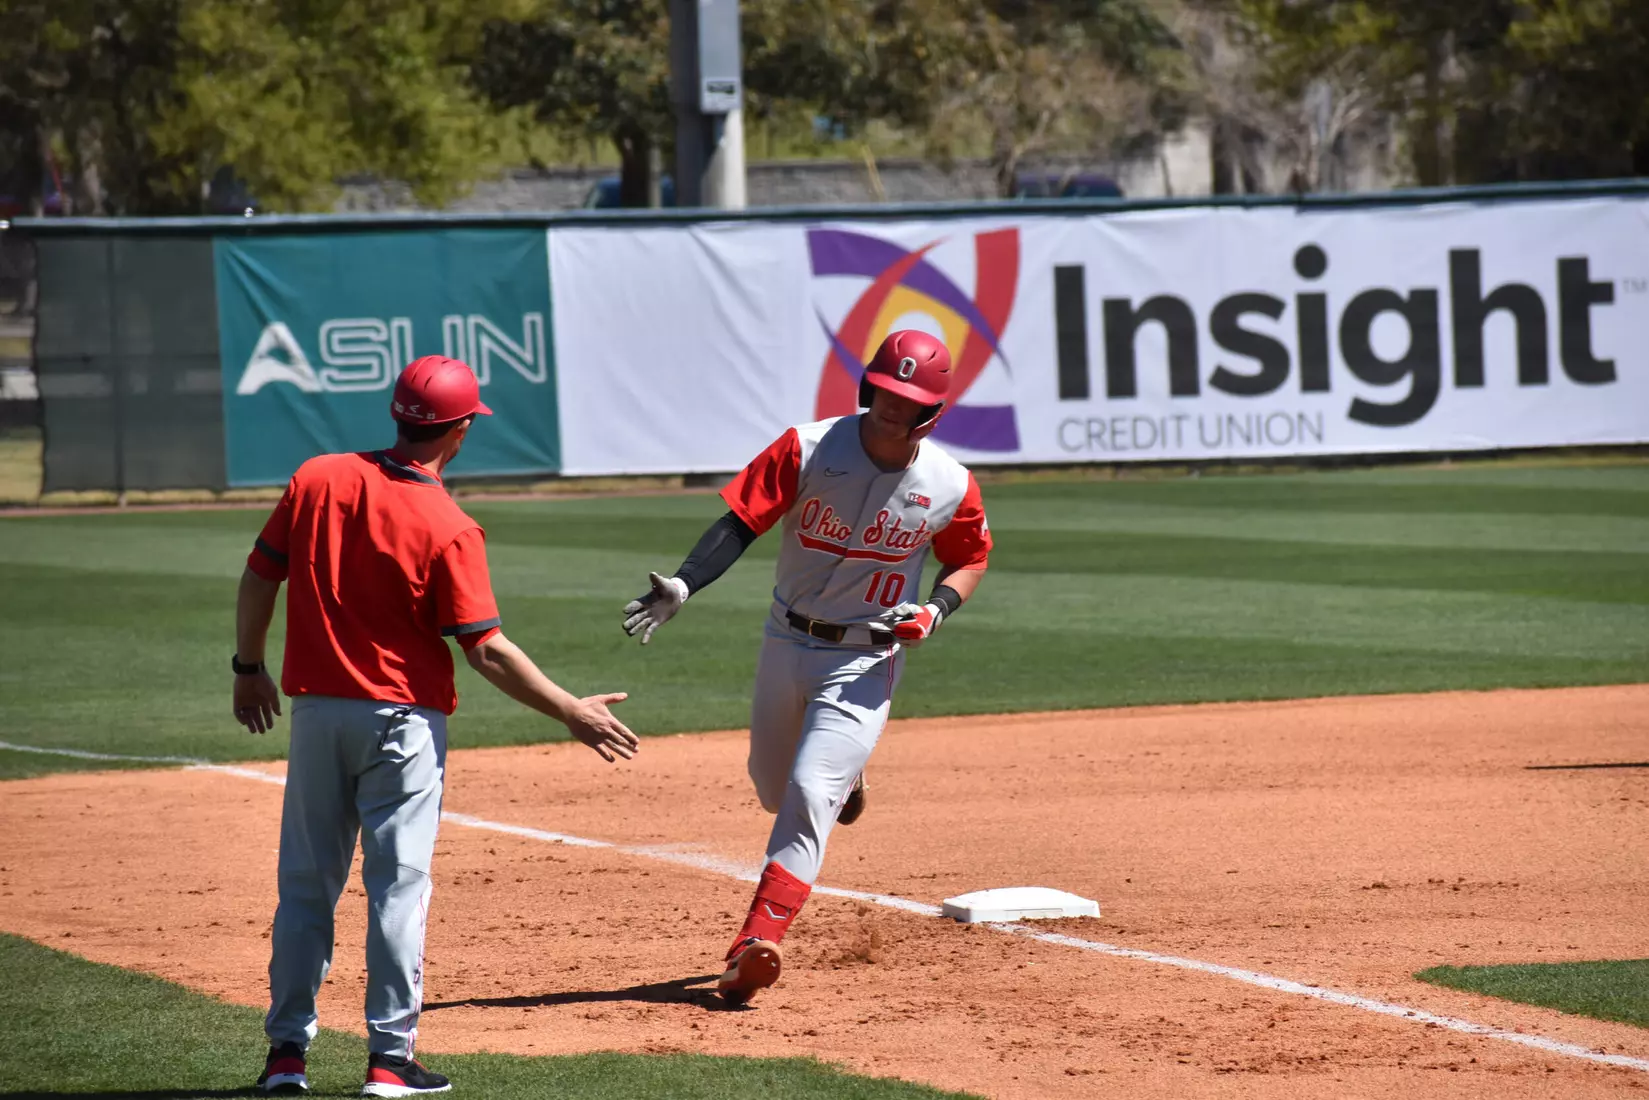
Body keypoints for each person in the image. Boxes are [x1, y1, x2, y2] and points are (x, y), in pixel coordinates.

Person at [233, 355, 639, 1096]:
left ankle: (285, 1057)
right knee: (398, 887)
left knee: (304, 889)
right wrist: (570, 710)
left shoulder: (317, 477)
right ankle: (390, 1060)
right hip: (401, 729)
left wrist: (246, 667)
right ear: (459, 432)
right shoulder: (449, 525)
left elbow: (261, 574)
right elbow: (486, 650)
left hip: (317, 716)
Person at [620, 329, 991, 1004]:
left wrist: (934, 610)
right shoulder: (808, 447)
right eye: (883, 390)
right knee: (771, 783)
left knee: (807, 791)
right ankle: (848, 782)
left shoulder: (947, 484)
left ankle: (753, 945)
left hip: (866, 655)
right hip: (785, 642)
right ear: (866, 387)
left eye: (906, 399)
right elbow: (739, 521)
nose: (890, 405)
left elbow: (968, 557)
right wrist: (682, 584)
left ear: (929, 412)